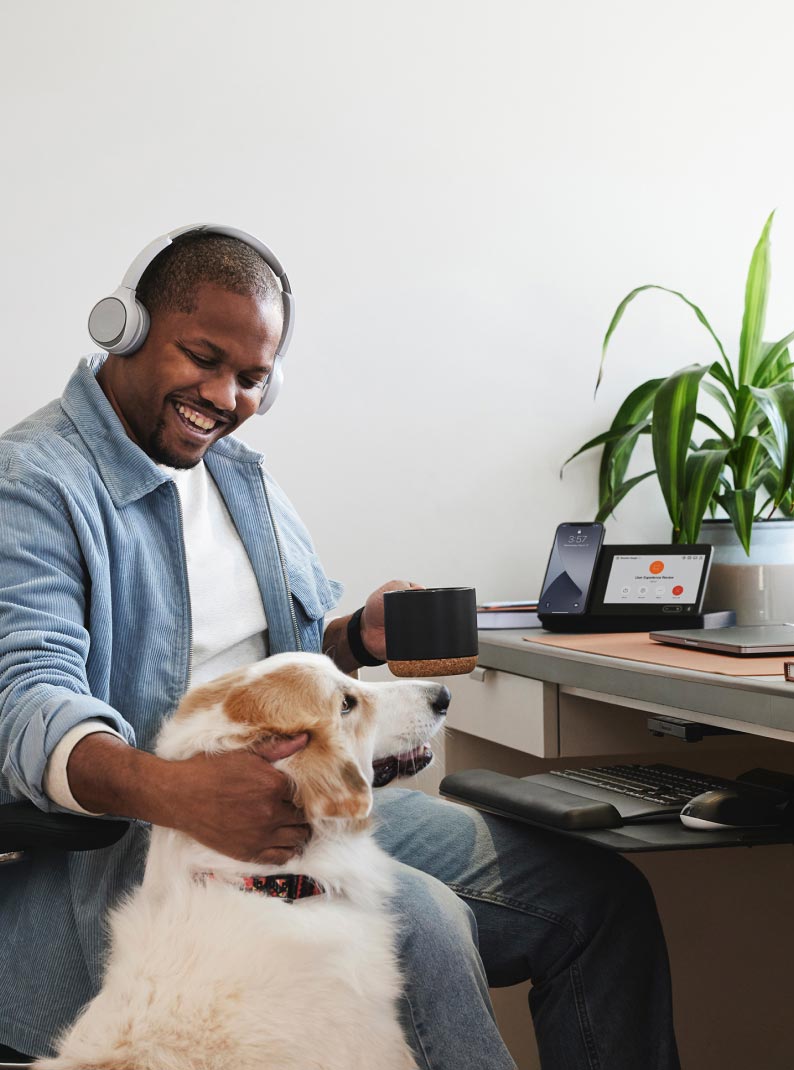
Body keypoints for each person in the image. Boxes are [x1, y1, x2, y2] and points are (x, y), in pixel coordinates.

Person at [0, 228, 681, 1069]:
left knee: (597, 901)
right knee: (424, 926)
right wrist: (178, 793)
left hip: (311, 810)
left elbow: (286, 657)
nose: (225, 396)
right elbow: (26, 697)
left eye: (253, 379)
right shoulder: (34, 482)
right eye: (202, 358)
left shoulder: (239, 478)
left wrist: (352, 637)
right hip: (149, 845)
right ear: (126, 328)